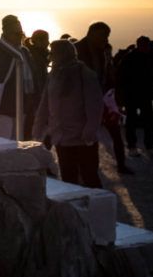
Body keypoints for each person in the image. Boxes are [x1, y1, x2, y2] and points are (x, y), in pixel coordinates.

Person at [33, 40, 103, 188]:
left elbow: (94, 106)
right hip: (61, 138)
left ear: (62, 53)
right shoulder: (54, 74)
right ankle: (72, 209)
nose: (50, 57)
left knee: (89, 177)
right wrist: (38, 128)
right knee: (68, 179)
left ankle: (96, 209)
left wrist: (89, 133)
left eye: (53, 53)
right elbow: (44, 103)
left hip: (83, 139)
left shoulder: (85, 74)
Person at [76, 22, 133, 174]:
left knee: (115, 132)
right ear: (92, 33)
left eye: (107, 36)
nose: (106, 39)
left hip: (104, 99)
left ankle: (121, 165)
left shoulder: (103, 50)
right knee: (85, 137)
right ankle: (87, 170)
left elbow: (108, 75)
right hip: (84, 101)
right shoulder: (77, 49)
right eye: (103, 36)